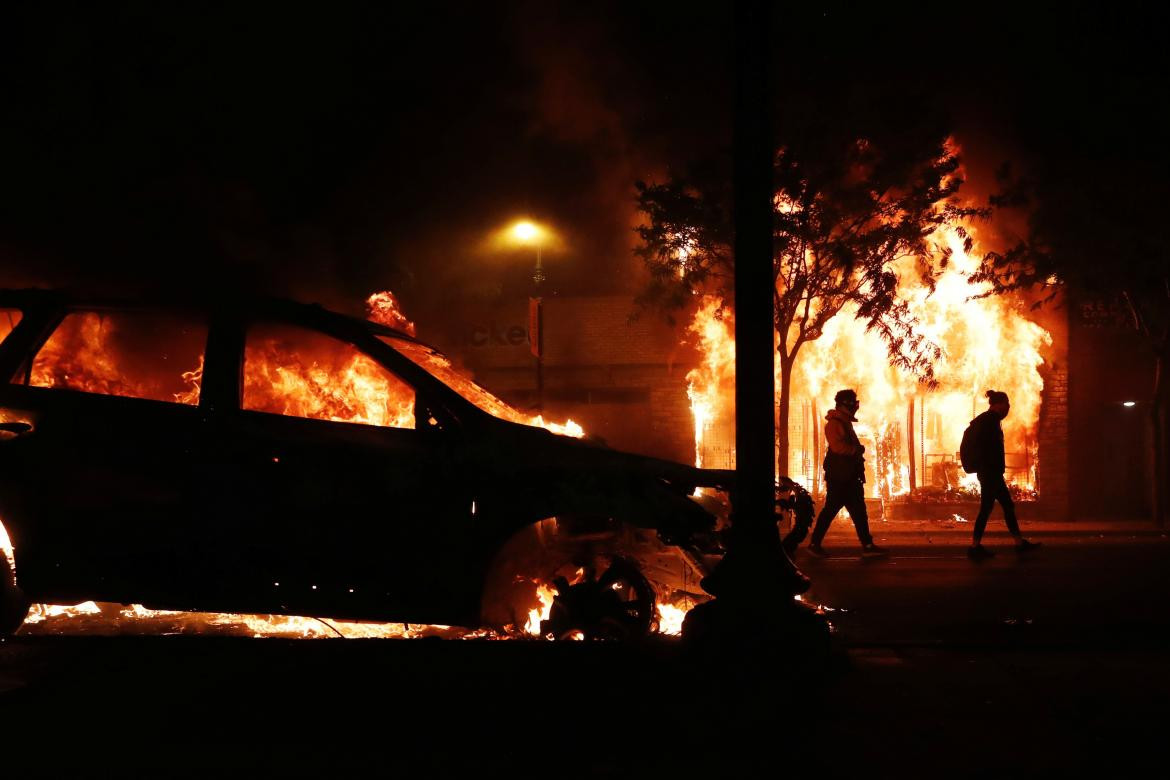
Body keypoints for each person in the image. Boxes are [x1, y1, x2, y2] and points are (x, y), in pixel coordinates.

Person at [806, 389, 887, 558]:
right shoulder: (835, 424)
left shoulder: (844, 422)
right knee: (832, 511)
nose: (855, 406)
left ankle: (867, 545)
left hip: (848, 477)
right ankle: (815, 544)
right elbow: (837, 447)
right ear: (845, 405)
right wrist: (856, 450)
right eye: (853, 402)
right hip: (841, 478)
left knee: (858, 512)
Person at [966, 390, 1041, 559]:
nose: (1008, 408)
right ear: (999, 404)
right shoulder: (989, 421)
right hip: (990, 473)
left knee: (1007, 506)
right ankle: (975, 547)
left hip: (992, 473)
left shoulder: (991, 421)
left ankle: (1019, 543)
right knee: (986, 509)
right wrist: (987, 466)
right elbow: (985, 448)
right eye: (1007, 404)